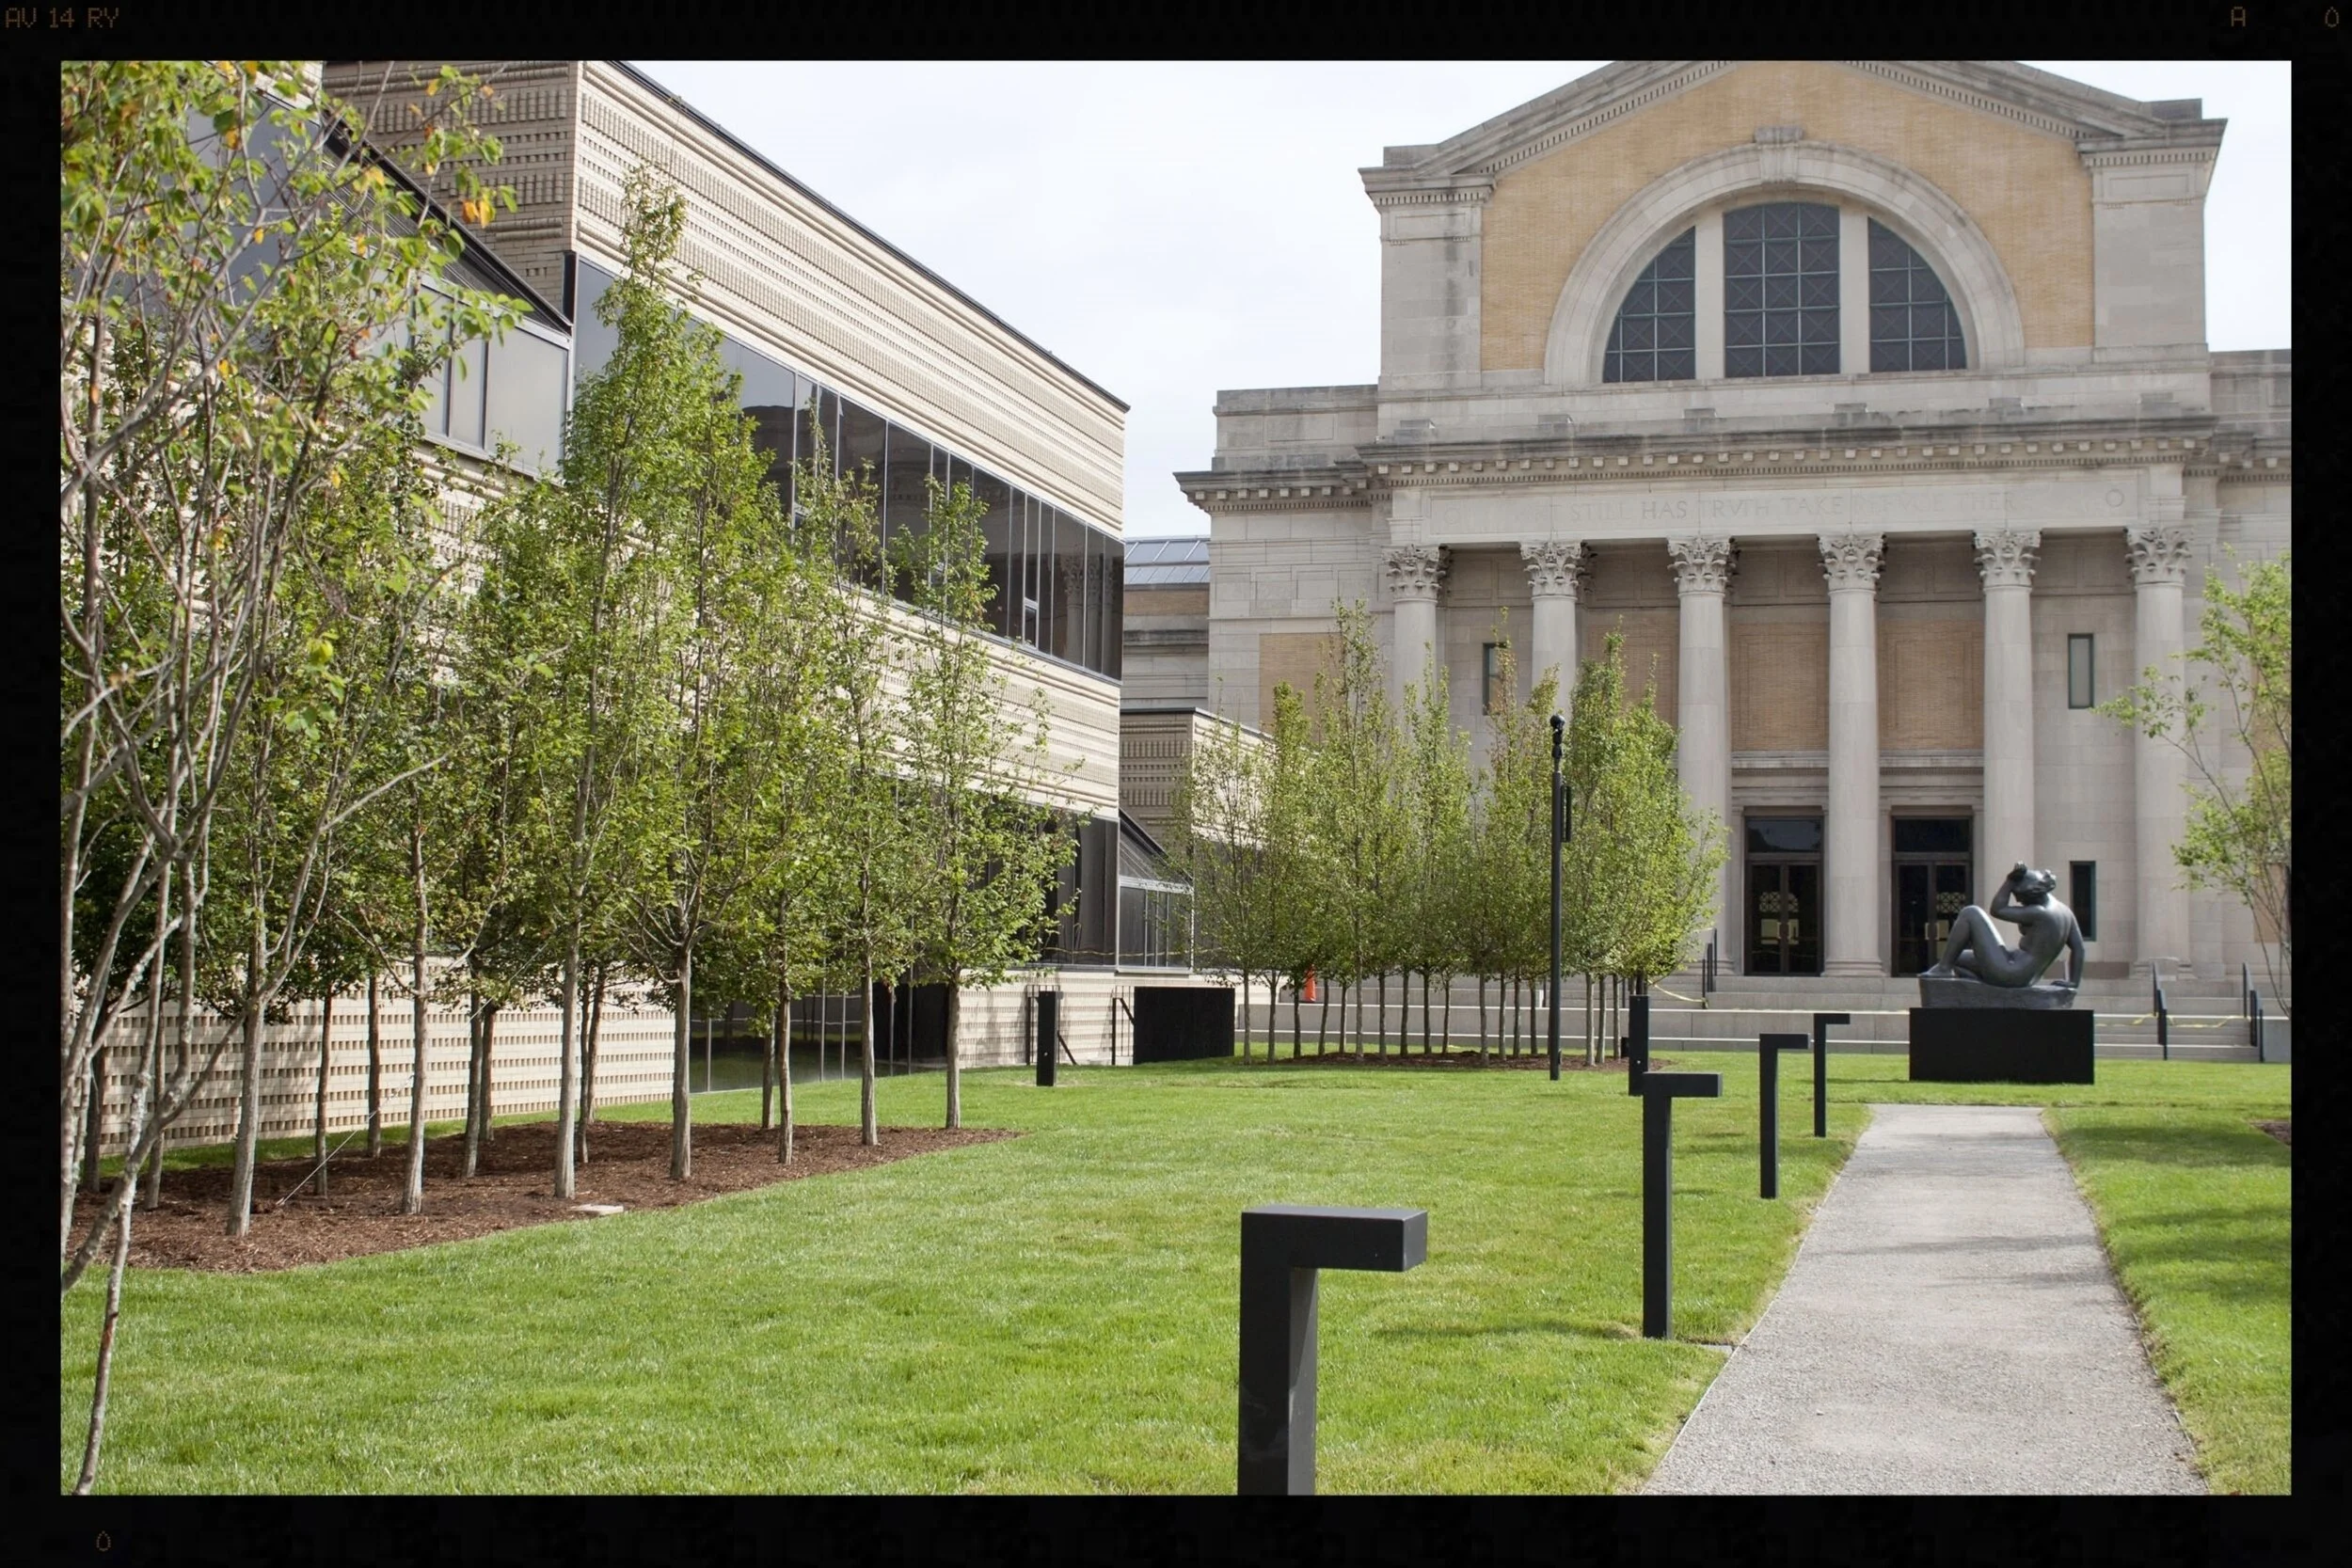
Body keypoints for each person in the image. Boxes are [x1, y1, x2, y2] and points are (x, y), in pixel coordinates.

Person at [1923, 863, 2083, 990]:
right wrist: (2073, 982)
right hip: (2025, 975)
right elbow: (2079, 948)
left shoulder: (2040, 913)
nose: (2020, 903)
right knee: (1955, 957)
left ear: (2032, 894)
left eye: (2020, 898)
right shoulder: (2065, 911)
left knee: (1970, 913)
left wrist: (2009, 881)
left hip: (2011, 973)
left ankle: (1944, 969)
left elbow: (1997, 909)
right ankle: (1967, 981)